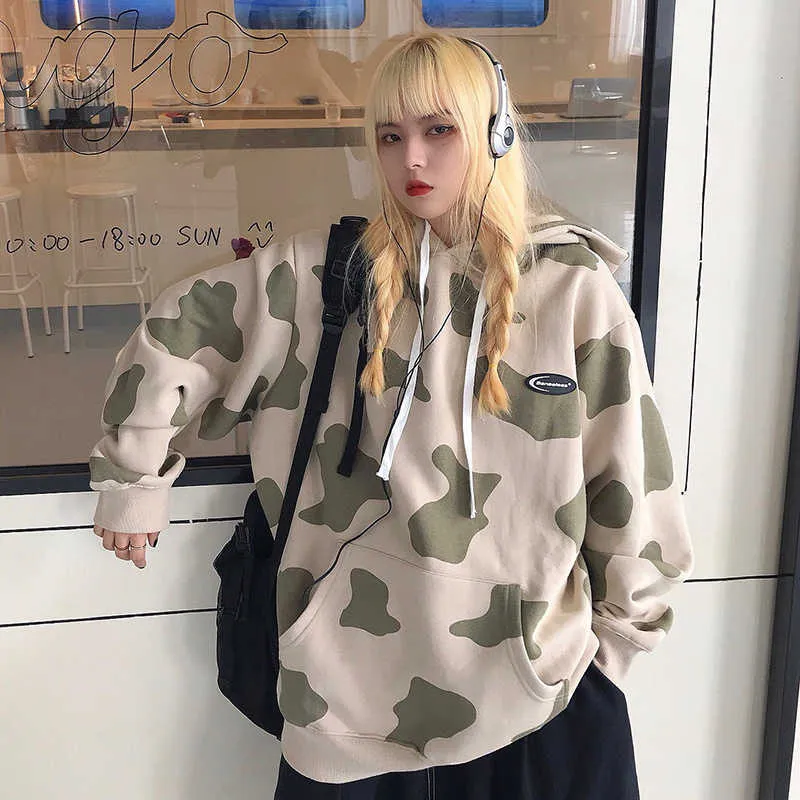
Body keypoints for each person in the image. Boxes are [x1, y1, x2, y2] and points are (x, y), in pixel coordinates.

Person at [90, 33, 693, 800]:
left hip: (539, 703)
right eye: (389, 135)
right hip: (345, 705)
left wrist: (612, 649)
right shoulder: (324, 277)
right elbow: (180, 329)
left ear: (495, 134)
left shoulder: (573, 292)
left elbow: (631, 483)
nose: (412, 158)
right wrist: (132, 478)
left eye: (439, 130)